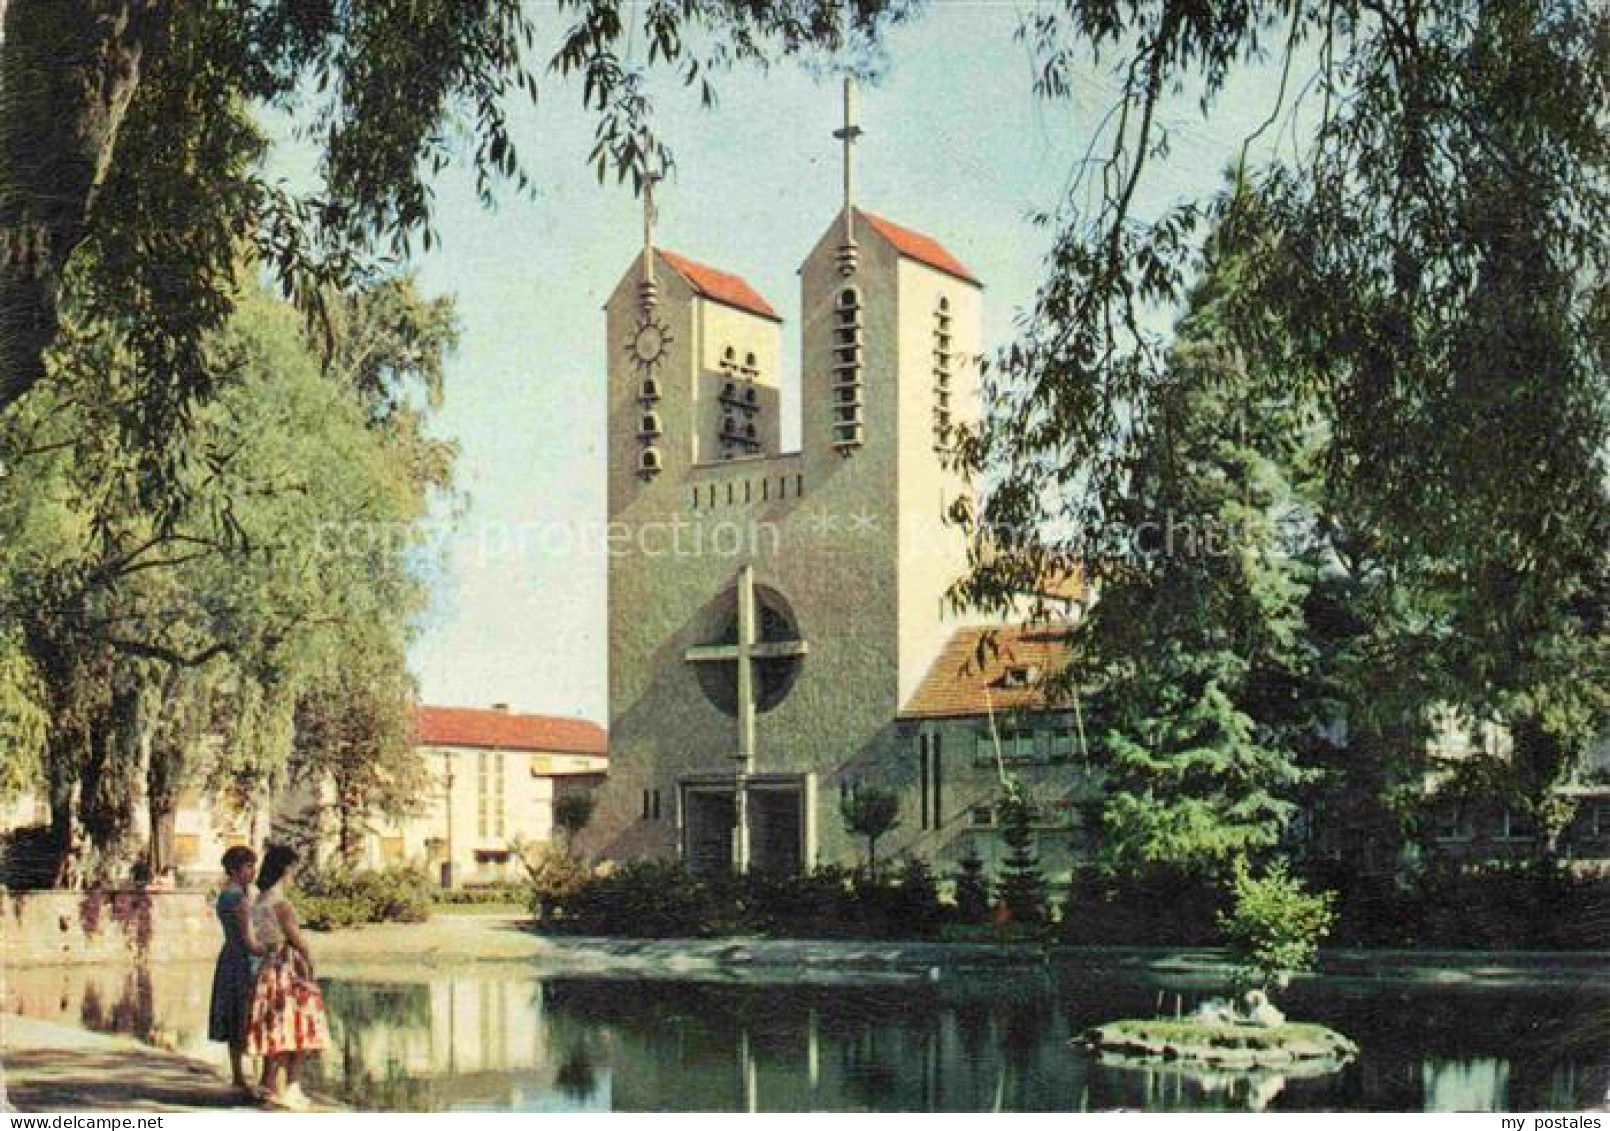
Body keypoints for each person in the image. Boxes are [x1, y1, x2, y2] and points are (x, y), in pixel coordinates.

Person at [246, 844, 329, 1110]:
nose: (295, 875)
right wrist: (310, 962)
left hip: (268, 966)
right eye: (293, 870)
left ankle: (268, 1084)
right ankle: (292, 1087)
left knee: (274, 1027)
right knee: (299, 1026)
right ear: (284, 870)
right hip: (287, 966)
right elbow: (298, 940)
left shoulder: (258, 901)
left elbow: (258, 939)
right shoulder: (281, 903)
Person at [208, 845, 266, 1100]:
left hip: (228, 957)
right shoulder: (240, 900)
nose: (252, 872)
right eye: (248, 867)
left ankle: (238, 1076)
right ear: (234, 870)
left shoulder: (224, 895)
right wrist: (274, 948)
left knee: (234, 1014)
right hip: (243, 961)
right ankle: (255, 1078)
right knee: (248, 1015)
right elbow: (251, 941)